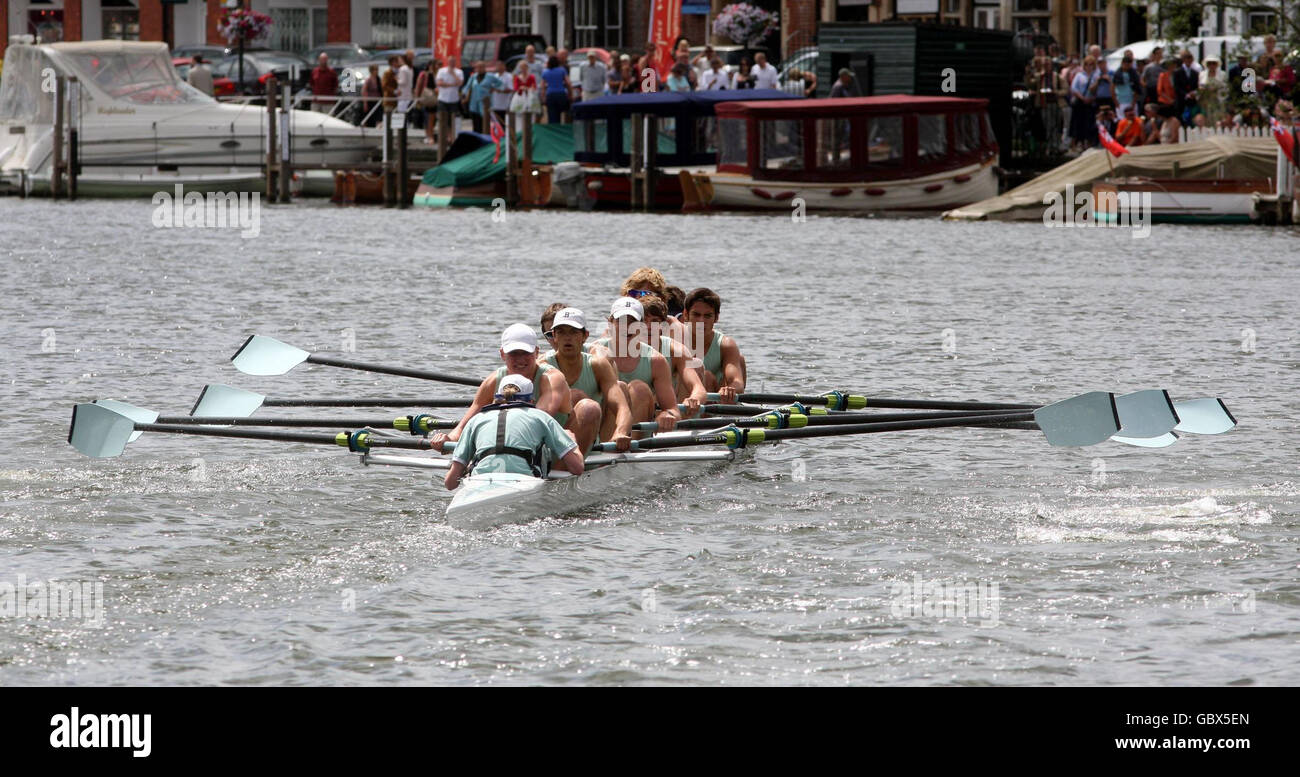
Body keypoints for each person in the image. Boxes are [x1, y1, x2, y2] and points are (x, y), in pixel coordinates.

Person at [432, 323, 574, 456]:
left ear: (536, 353)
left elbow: (534, 422)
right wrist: (448, 439)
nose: (520, 360)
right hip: (513, 449)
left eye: (525, 353)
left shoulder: (551, 379)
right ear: (502, 354)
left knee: (588, 408)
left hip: (556, 452)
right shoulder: (493, 381)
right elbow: (466, 425)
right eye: (513, 354)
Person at [443, 375, 585, 490]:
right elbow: (577, 468)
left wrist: (465, 469)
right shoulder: (540, 417)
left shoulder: (476, 420)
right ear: (531, 400)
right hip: (524, 482)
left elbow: (450, 483)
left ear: (497, 397)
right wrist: (572, 441)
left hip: (478, 482)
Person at [539, 307, 632, 453]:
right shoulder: (542, 366)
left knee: (619, 389)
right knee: (576, 396)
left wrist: (620, 432)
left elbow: (622, 408)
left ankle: (603, 454)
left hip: (588, 440)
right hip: (550, 446)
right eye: (561, 332)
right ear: (554, 336)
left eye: (573, 332)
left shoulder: (597, 365)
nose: (567, 338)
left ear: (585, 336)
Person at [589, 298, 685, 430]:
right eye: (621, 321)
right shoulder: (592, 352)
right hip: (600, 428)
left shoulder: (656, 361)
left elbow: (673, 409)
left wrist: (667, 414)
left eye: (632, 322)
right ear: (610, 323)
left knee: (639, 388)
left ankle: (626, 440)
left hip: (636, 435)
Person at [638, 293, 709, 404]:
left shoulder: (676, 350)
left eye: (655, 321)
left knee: (696, 365)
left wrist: (694, 398)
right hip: (638, 406)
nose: (648, 327)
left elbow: (698, 389)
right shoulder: (622, 348)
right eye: (644, 321)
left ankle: (684, 416)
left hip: (669, 409)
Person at [681, 287, 745, 403]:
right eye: (696, 315)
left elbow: (737, 382)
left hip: (714, 399)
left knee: (738, 360)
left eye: (707, 316)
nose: (701, 320)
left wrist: (730, 389)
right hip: (683, 397)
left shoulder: (725, 344)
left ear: (716, 318)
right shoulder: (674, 340)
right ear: (686, 315)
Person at [435, 54, 464, 140]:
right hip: (443, 98)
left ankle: (452, 137)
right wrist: (452, 84)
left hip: (454, 99)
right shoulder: (441, 71)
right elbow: (439, 83)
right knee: (443, 119)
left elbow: (460, 83)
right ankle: (445, 137)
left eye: (453, 61)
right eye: (450, 61)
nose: (452, 63)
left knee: (452, 119)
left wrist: (453, 74)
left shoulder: (459, 72)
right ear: (447, 62)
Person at [539, 55, 571, 124]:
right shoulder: (562, 70)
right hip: (561, 94)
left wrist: (543, 97)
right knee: (565, 114)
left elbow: (542, 86)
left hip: (550, 95)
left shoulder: (545, 72)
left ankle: (554, 131)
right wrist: (570, 94)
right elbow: (568, 83)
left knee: (552, 116)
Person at [1198, 55, 1228, 127]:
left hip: (1218, 101)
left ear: (1217, 64)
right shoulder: (1202, 74)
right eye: (1209, 63)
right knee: (1207, 119)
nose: (1211, 65)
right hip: (1206, 101)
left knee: (1218, 119)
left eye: (1213, 63)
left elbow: (1225, 88)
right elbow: (1200, 86)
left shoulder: (1223, 74)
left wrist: (1216, 89)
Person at [413, 59, 437, 142]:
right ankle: (428, 136)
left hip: (435, 99)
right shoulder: (424, 74)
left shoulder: (437, 74)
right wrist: (417, 98)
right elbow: (418, 86)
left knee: (433, 120)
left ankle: (430, 135)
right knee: (427, 118)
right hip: (426, 99)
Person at [1112, 50, 1141, 117]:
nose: (1127, 65)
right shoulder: (1117, 74)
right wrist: (1116, 103)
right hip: (1121, 101)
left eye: (1129, 63)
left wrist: (1133, 103)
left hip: (1131, 101)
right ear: (1122, 63)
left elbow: (1136, 88)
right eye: (1125, 63)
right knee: (1122, 121)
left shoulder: (1134, 74)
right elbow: (1112, 88)